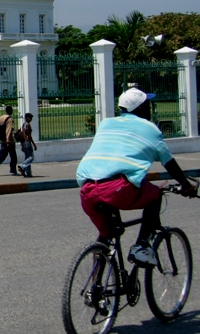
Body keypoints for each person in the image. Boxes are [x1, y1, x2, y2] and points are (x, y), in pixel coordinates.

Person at [76, 88, 197, 267]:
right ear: (140, 109)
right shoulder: (150, 129)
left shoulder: (106, 123)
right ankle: (141, 246)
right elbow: (169, 163)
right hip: (117, 189)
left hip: (87, 190)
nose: (151, 108)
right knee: (155, 194)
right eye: (147, 105)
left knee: (107, 235)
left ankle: (94, 289)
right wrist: (186, 185)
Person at [0, 105, 17, 176]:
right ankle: (13, 170)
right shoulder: (9, 119)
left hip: (2, 139)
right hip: (9, 141)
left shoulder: (1, 117)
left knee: (2, 155)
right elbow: (8, 130)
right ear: (10, 111)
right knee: (13, 156)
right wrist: (8, 141)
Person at [17, 112, 37, 177]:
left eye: (31, 118)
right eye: (29, 118)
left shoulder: (23, 125)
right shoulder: (27, 125)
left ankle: (28, 173)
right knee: (31, 157)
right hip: (27, 141)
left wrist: (22, 146)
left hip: (22, 142)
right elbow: (29, 135)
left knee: (27, 157)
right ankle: (22, 166)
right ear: (26, 118)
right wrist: (34, 144)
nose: (30, 119)